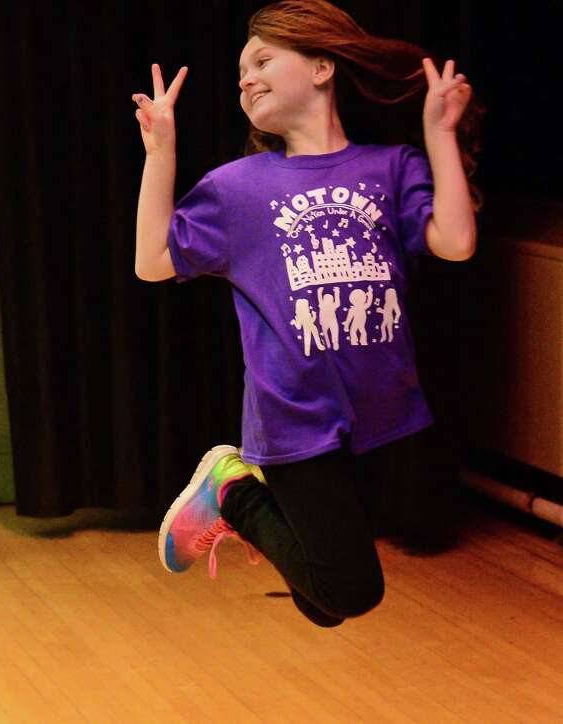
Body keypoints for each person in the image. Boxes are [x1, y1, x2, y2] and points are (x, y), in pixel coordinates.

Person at [133, 0, 479, 627]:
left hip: (382, 411)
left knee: (322, 603)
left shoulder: (390, 168)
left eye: (263, 60)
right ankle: (231, 488)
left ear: (322, 67)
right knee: (352, 593)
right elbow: (153, 261)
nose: (245, 78)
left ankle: (244, 499)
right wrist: (161, 151)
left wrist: (440, 134)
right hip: (294, 416)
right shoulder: (239, 189)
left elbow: (455, 240)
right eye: (241, 70)